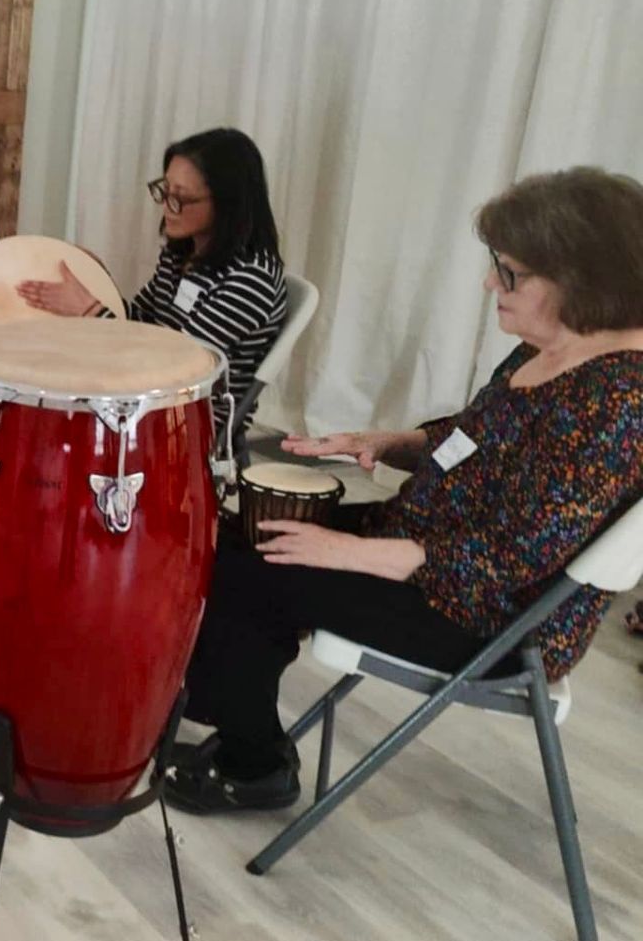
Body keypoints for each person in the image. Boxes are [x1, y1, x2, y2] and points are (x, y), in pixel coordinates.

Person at [163, 167, 643, 813]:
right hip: (427, 547)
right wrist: (387, 442)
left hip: (491, 619)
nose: (490, 284)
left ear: (579, 280)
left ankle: (255, 766)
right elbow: (483, 436)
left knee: (253, 572)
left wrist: (347, 552)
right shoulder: (554, 343)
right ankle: (236, 718)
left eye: (509, 273)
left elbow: (512, 559)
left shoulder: (619, 403)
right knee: (237, 534)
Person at [18, 127, 288, 422]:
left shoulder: (251, 279)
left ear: (227, 204)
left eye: (181, 198)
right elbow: (141, 326)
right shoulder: (182, 252)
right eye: (165, 191)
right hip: (147, 398)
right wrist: (99, 285)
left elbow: (176, 367)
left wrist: (89, 308)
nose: (167, 208)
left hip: (187, 421)